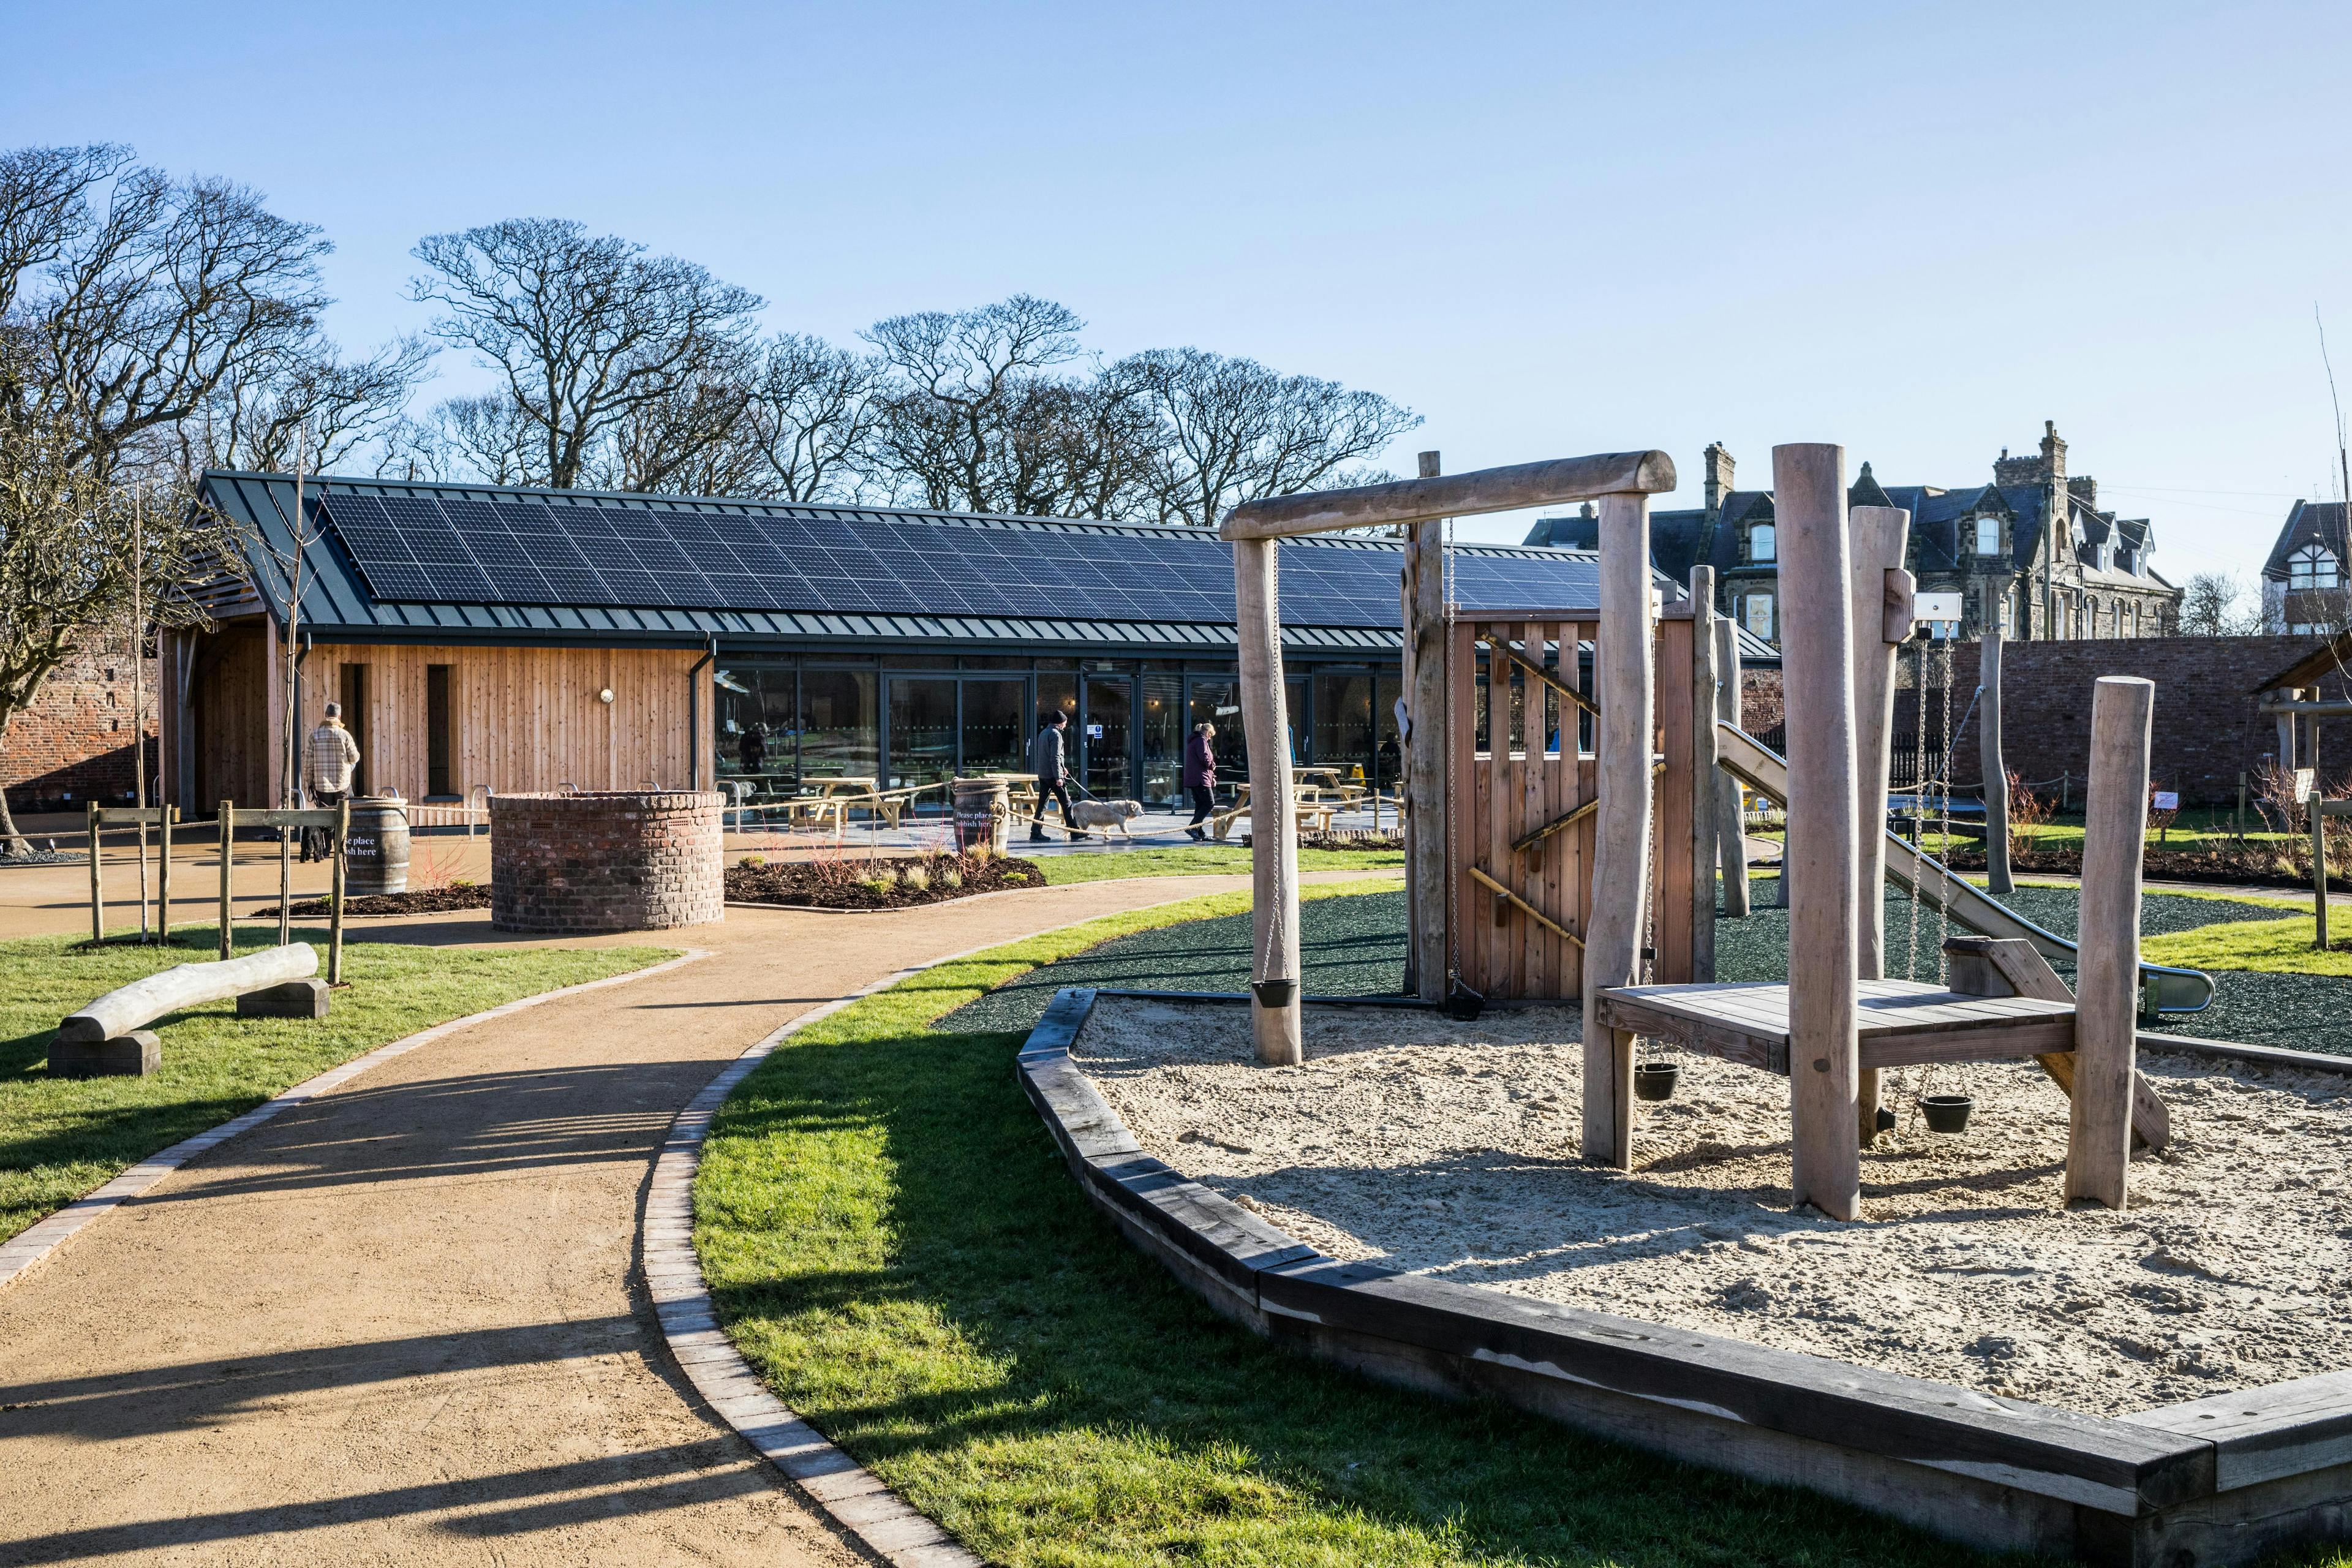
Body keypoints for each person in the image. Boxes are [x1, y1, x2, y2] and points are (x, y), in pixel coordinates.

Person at [303, 701, 360, 862]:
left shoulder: (314, 735)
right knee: (342, 816)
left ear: (325, 715)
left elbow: (308, 762)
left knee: (325, 817)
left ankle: (326, 849)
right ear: (339, 716)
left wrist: (309, 782)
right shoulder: (345, 735)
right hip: (342, 783)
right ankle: (341, 848)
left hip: (322, 784)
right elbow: (355, 757)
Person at [1029, 710, 1080, 842]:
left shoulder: (1044, 733)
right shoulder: (1056, 735)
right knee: (1067, 803)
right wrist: (1059, 777)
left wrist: (1063, 769)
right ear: (1061, 723)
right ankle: (1075, 832)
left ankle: (1035, 832)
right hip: (1053, 776)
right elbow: (1055, 757)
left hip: (1044, 774)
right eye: (1065, 723)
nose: (1065, 725)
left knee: (1042, 805)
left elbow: (1049, 756)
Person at [1181, 722, 1218, 840]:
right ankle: (1192, 828)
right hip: (1200, 779)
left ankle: (1199, 832)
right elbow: (1205, 759)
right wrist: (1213, 765)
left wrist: (1212, 777)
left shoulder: (1194, 741)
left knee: (1200, 805)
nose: (1210, 738)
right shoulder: (1201, 741)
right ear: (1207, 733)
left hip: (1195, 778)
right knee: (1209, 803)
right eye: (1211, 735)